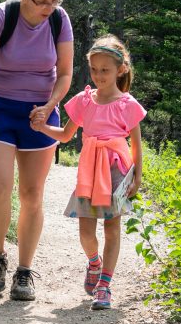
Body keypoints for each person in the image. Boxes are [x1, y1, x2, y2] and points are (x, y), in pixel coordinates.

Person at [0, 0, 74, 301]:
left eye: (55, 1)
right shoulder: (1, 16)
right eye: (43, 1)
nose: (49, 8)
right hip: (0, 107)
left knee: (32, 194)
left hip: (40, 114)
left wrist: (50, 106)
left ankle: (25, 270)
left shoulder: (60, 21)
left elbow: (64, 73)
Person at [31, 34, 146, 310]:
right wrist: (43, 127)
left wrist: (138, 177)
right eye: (94, 70)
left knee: (112, 228)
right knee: (85, 231)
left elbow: (136, 146)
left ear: (121, 69)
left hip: (116, 170)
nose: (98, 75)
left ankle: (105, 285)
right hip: (90, 170)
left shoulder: (128, 104)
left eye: (104, 70)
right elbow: (67, 135)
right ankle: (94, 262)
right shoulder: (84, 100)